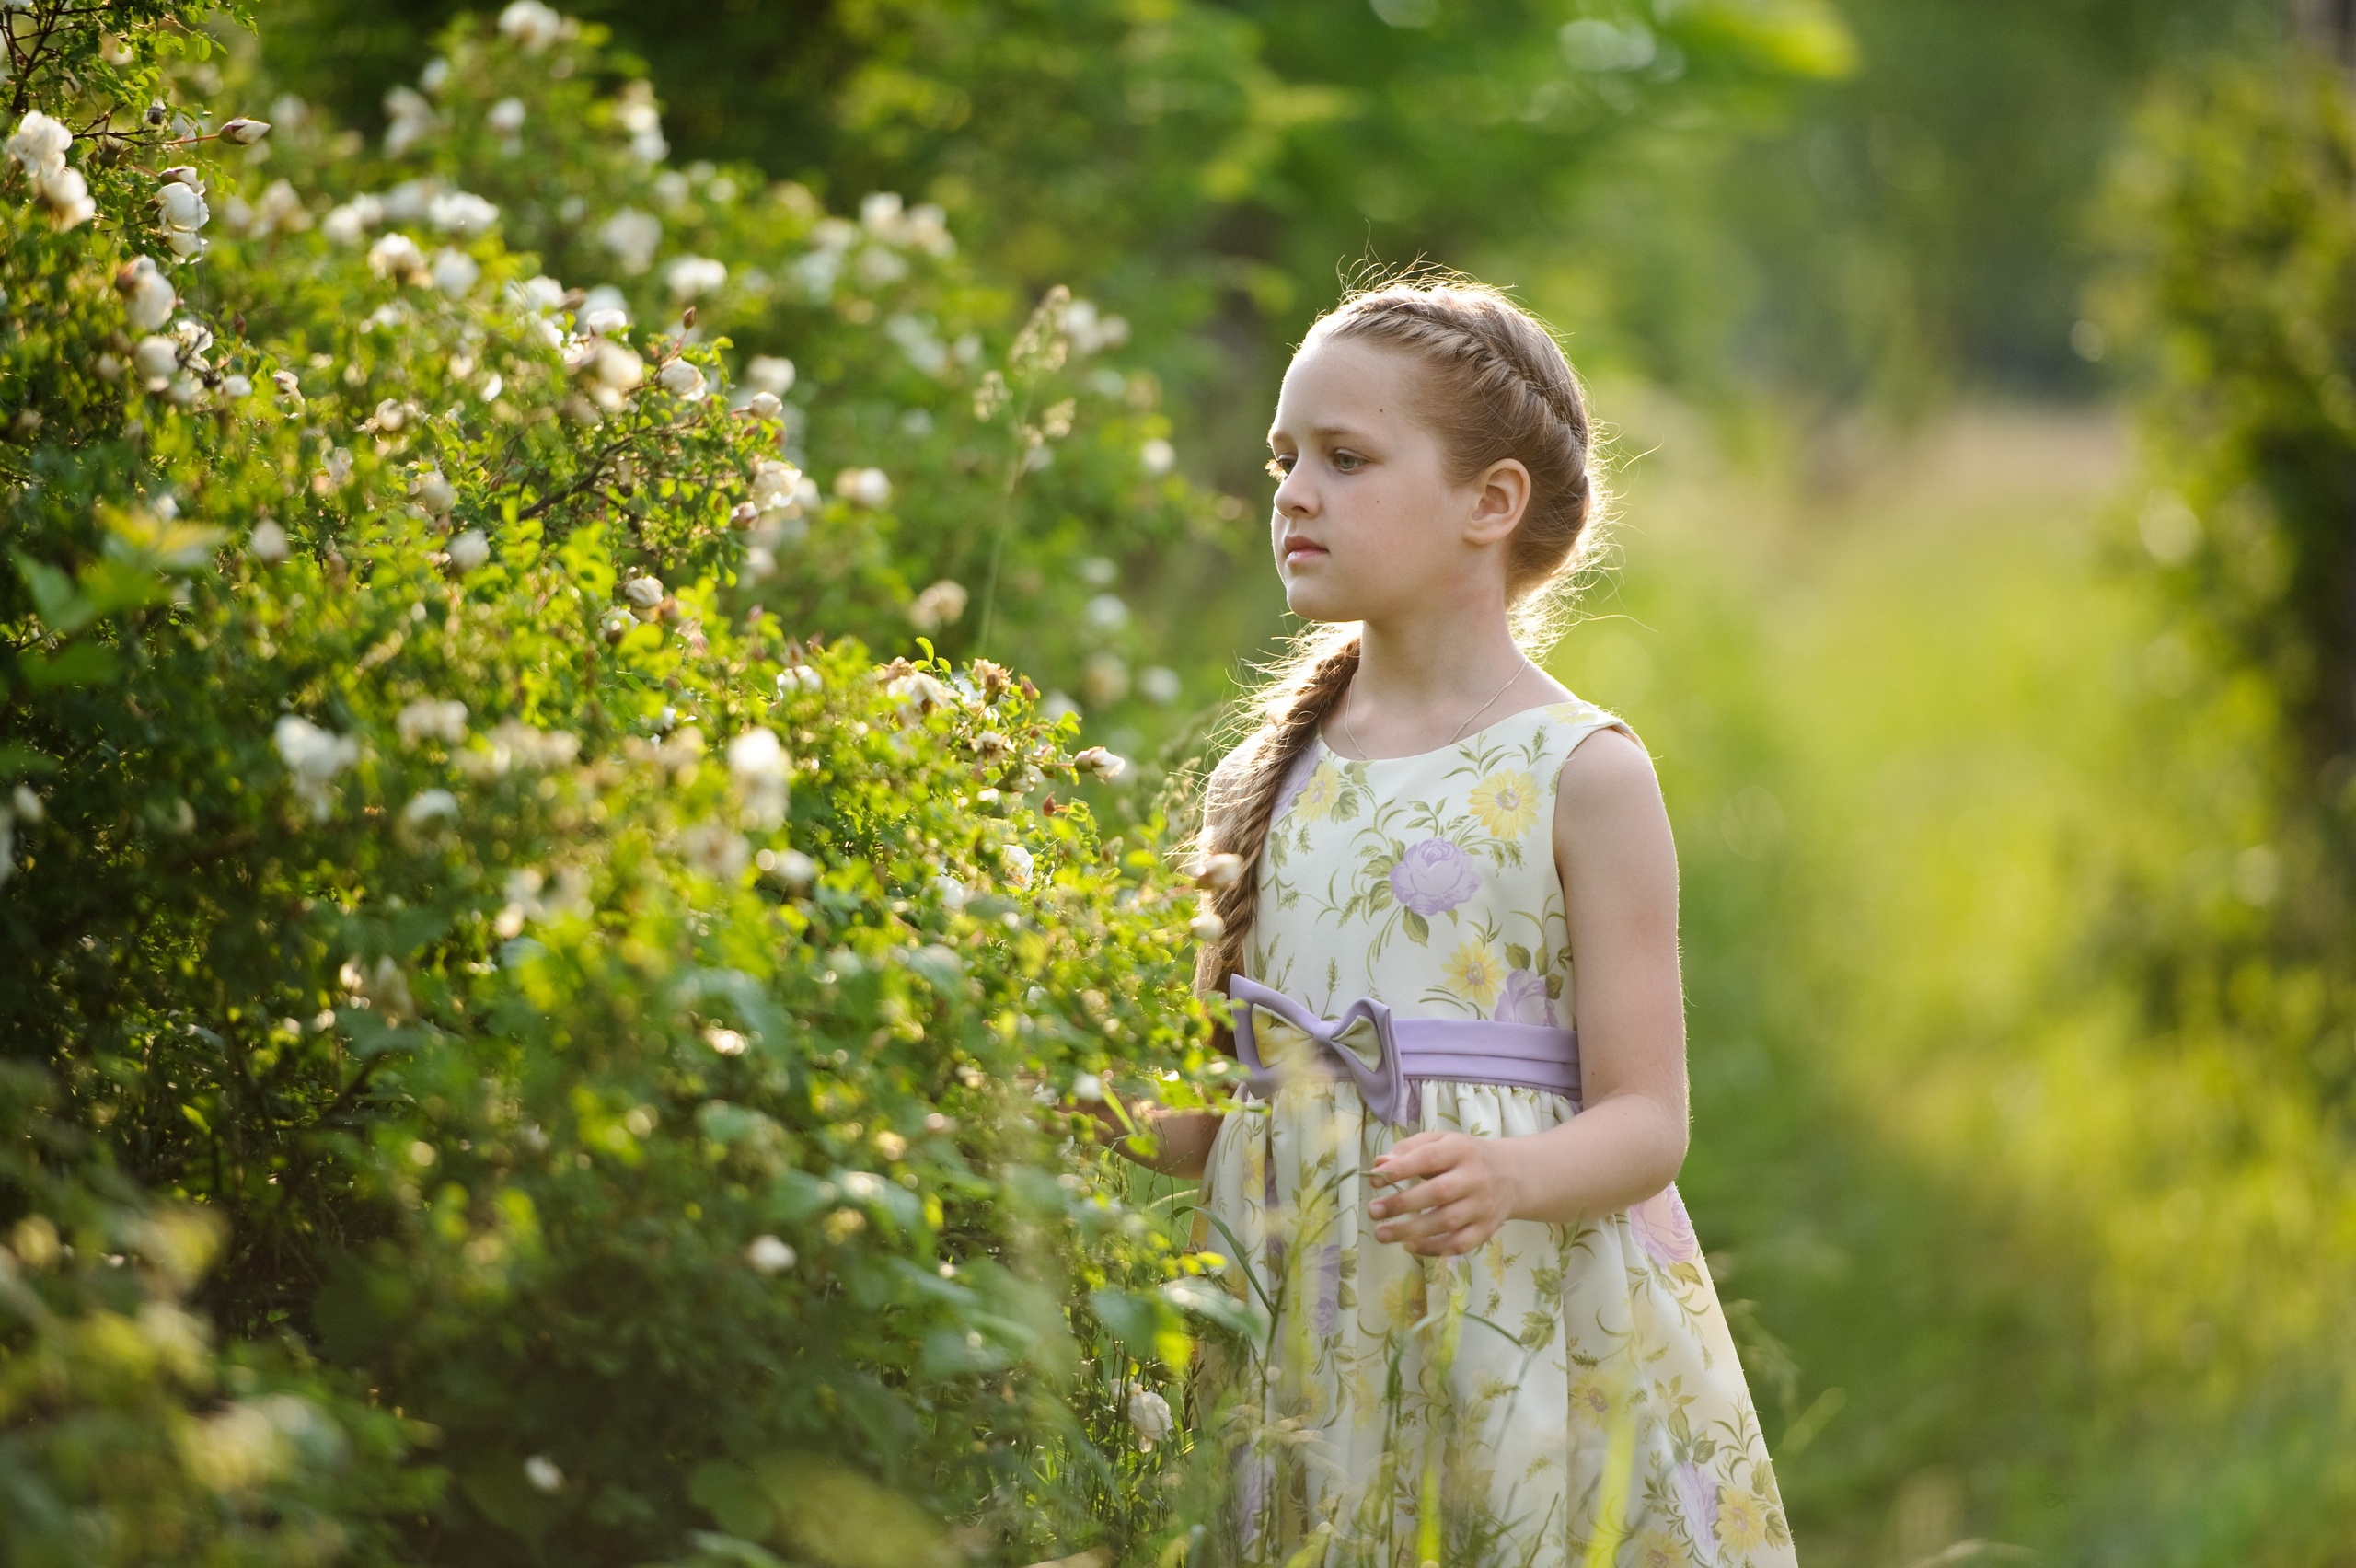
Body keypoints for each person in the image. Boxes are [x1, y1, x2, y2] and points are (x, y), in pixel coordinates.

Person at [1115, 277, 1796, 1566]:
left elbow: (1648, 1121)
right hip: (1295, 1337)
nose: (1294, 493)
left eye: (1346, 458)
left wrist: (1507, 1176)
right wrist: (1074, 1113)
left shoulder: (1580, 772)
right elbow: (1218, 1113)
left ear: (1491, 504)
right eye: (1284, 458)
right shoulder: (1263, 779)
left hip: (1517, 1326)